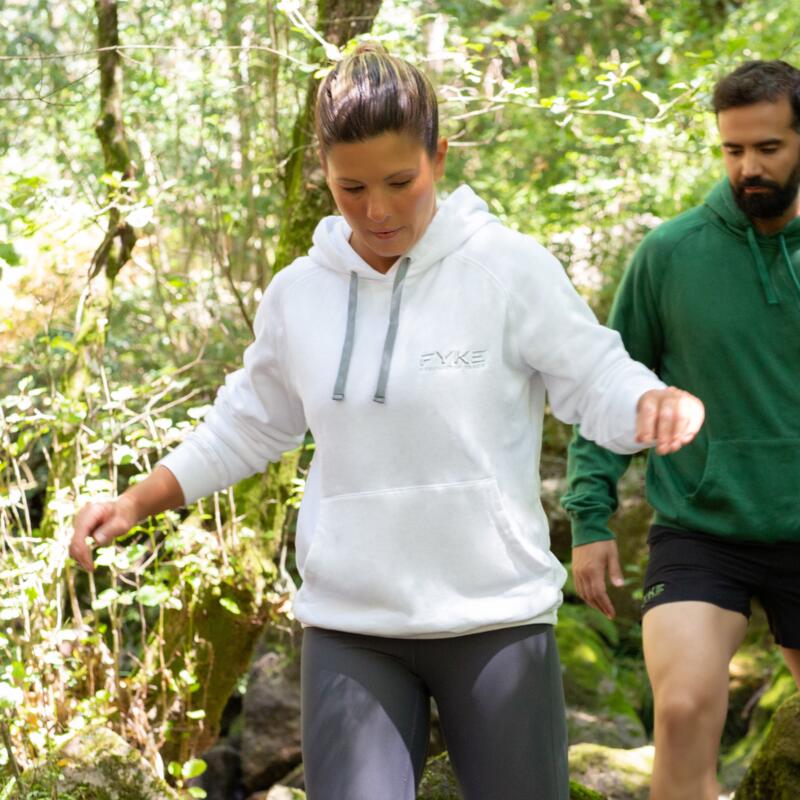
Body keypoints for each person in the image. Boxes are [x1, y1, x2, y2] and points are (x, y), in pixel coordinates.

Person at [71, 45, 704, 800]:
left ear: (438, 155)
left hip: (495, 620)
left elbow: (592, 374)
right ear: (325, 176)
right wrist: (138, 500)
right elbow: (247, 422)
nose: (377, 210)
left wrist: (647, 403)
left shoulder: (506, 269)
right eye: (352, 187)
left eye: (401, 182)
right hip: (352, 627)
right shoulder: (298, 294)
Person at [563, 59, 800, 800]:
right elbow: (610, 385)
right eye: (732, 150)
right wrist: (590, 514)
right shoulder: (670, 256)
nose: (748, 168)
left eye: (768, 148)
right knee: (688, 704)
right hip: (703, 529)